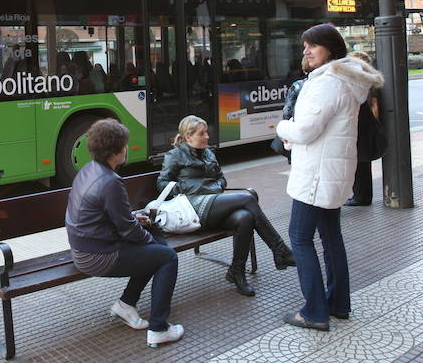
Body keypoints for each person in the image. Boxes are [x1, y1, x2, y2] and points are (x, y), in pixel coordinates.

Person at [275, 23, 383, 331]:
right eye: (304, 45)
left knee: (300, 237)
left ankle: (314, 311)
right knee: (330, 236)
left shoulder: (326, 82)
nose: (306, 51)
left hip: (316, 175)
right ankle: (337, 303)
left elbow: (307, 129)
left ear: (331, 49)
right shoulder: (343, 80)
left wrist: (282, 129)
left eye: (313, 45)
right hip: (331, 172)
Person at [65, 119, 184, 348]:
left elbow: (111, 218)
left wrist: (136, 222)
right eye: (124, 145)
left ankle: (126, 304)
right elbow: (128, 230)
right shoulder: (111, 181)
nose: (127, 148)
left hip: (86, 246)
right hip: (96, 256)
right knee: (167, 257)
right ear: (115, 151)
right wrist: (147, 239)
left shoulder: (89, 170)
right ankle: (159, 328)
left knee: (156, 246)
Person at [158, 115, 295, 298]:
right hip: (191, 209)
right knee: (247, 199)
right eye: (202, 133)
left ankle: (236, 272)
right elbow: (162, 183)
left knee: (244, 218)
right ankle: (280, 250)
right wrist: (193, 188)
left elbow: (221, 179)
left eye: (207, 132)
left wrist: (213, 187)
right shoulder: (175, 155)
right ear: (188, 137)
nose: (207, 136)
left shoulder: (208, 153)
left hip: (213, 206)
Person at [345, 51, 383, 206]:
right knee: (361, 163)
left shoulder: (364, 83)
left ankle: (361, 196)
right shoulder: (366, 81)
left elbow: (374, 106)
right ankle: (361, 195)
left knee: (360, 163)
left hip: (363, 127)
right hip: (365, 126)